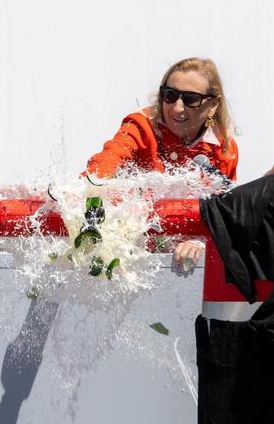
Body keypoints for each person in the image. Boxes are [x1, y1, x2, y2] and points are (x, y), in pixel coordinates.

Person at [85, 57, 238, 271]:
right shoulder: (141, 126)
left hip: (183, 267)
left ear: (213, 105)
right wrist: (92, 184)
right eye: (170, 95)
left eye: (190, 99)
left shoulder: (224, 150)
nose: (176, 108)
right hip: (130, 258)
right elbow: (107, 160)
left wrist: (198, 241)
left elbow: (224, 215)